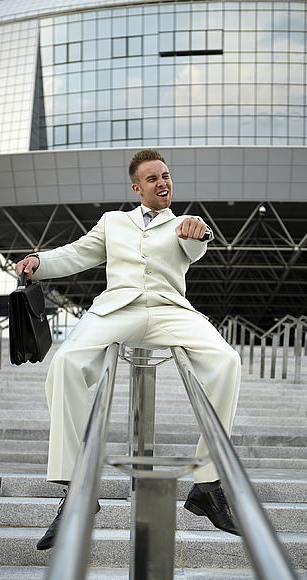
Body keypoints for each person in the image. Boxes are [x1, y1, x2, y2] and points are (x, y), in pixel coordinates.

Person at [15, 148, 241, 550]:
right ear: (138, 187)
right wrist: (39, 261)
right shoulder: (114, 222)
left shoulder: (184, 224)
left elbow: (197, 242)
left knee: (228, 361)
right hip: (117, 308)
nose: (163, 183)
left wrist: (199, 230)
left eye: (166, 176)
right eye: (153, 178)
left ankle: (207, 484)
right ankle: (78, 488)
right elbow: (77, 253)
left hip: (170, 308)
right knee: (66, 362)